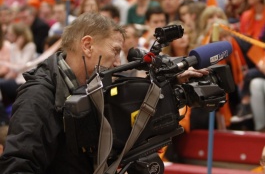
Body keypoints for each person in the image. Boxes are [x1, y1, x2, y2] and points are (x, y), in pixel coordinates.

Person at [0, 12, 210, 173]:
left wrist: (172, 82)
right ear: (88, 46)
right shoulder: (38, 96)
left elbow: (134, 96)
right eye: (115, 51)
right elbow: (18, 166)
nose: (118, 62)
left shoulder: (92, 87)